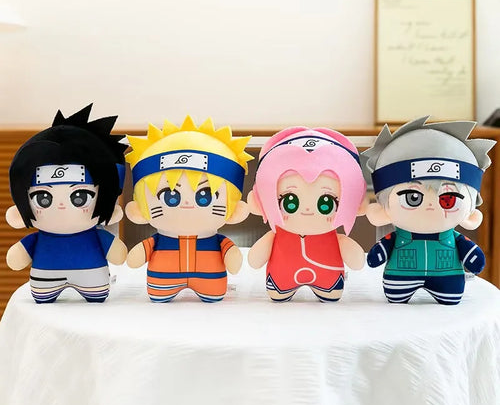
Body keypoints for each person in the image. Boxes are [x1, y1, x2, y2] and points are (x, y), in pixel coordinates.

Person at [363, 116, 495, 304]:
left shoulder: (454, 238)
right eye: (413, 197)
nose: (431, 206)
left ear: (471, 214)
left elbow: (473, 256)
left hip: (447, 277)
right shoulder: (397, 237)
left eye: (448, 199)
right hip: (401, 276)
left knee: (450, 297)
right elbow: (378, 254)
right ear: (382, 211)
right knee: (397, 297)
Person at [6, 104, 128, 303]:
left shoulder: (97, 233)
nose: (61, 206)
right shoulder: (38, 237)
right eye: (43, 198)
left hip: (91, 276)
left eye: (80, 196)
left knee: (96, 293)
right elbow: (15, 260)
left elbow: (119, 255)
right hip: (48, 277)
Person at [125, 116, 252, 302]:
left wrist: (232, 255)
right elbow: (134, 259)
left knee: (213, 294)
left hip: (209, 279)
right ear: (139, 209)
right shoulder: (158, 240)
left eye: (204, 196)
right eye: (170, 197)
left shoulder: (215, 240)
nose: (186, 204)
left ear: (235, 209)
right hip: (163, 279)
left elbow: (231, 256)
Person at [247, 126, 367, 302]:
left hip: (328, 277)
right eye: (290, 202)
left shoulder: (336, 239)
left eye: (326, 203)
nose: (308, 210)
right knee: (279, 293)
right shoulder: (275, 235)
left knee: (330, 293)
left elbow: (357, 262)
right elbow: (254, 260)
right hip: (281, 278)